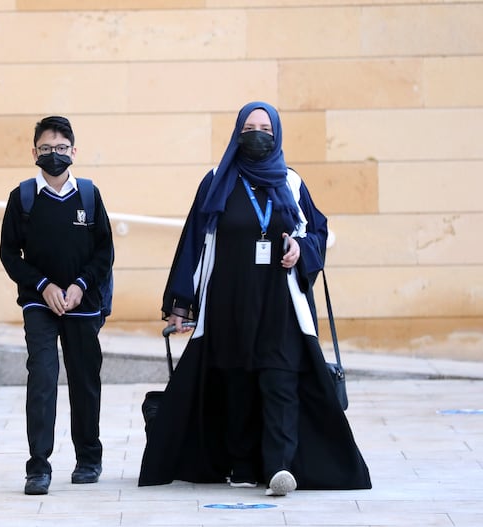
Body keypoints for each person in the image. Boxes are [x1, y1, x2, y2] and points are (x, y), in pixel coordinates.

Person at [138, 102, 371, 496]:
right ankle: (243, 465)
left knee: (280, 380)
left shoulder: (292, 183)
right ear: (237, 132)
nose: (258, 133)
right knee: (237, 382)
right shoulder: (217, 181)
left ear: (277, 132)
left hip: (279, 303)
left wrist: (300, 249)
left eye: (265, 126)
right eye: (250, 126)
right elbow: (194, 241)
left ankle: (280, 467)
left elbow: (317, 232)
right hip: (229, 303)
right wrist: (181, 304)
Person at [0, 116, 114, 496]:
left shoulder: (89, 195)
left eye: (61, 149)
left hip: (82, 304)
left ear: (74, 152)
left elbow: (104, 251)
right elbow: (9, 254)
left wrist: (81, 285)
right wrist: (43, 285)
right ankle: (38, 467)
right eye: (46, 149)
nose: (54, 155)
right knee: (43, 379)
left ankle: (88, 458)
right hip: (39, 304)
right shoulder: (23, 198)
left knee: (85, 381)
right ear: (34, 153)